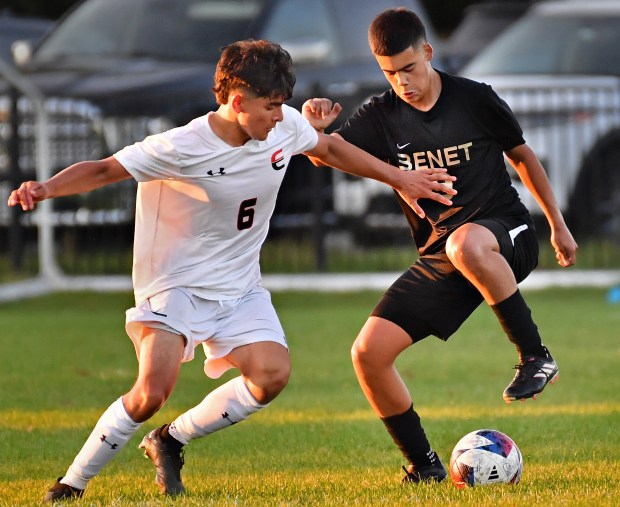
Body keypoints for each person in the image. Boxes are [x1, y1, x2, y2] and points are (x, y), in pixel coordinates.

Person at [8, 39, 455, 502]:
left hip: (239, 286)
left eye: (283, 105)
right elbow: (103, 170)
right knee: (151, 391)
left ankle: (170, 440)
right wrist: (44, 188)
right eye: (271, 106)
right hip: (175, 286)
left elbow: (332, 150)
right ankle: (70, 485)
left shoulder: (284, 127)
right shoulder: (180, 145)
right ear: (237, 102)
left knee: (271, 374)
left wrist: (401, 179)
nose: (281, 115)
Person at [302, 8, 578, 484]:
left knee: (466, 243)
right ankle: (423, 467)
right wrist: (315, 130)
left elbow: (523, 155)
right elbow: (324, 156)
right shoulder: (382, 115)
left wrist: (557, 223)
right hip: (442, 255)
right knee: (368, 353)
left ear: (427, 52)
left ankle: (536, 356)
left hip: (505, 235)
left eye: (409, 68)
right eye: (389, 73)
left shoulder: (475, 99)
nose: (402, 82)